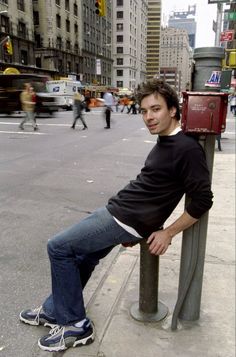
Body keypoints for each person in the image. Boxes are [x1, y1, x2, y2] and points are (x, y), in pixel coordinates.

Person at [19, 79, 213, 352]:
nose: (149, 117)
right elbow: (155, 189)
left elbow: (203, 200)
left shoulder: (187, 149)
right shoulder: (165, 141)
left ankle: (75, 323)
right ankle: (54, 310)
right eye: (144, 111)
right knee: (82, 257)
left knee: (59, 247)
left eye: (155, 109)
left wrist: (167, 232)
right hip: (124, 214)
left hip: (125, 219)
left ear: (173, 110)